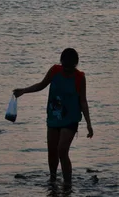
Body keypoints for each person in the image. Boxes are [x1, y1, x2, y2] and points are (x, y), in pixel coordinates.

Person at [13, 48, 93, 186]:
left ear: (75, 64)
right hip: (54, 117)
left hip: (71, 119)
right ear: (61, 62)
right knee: (52, 151)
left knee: (62, 150)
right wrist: (24, 91)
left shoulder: (80, 77)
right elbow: (41, 85)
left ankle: (68, 184)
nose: (66, 70)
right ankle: (53, 180)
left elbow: (83, 101)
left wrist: (89, 124)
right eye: (64, 66)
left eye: (70, 68)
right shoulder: (55, 71)